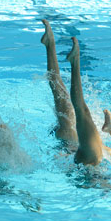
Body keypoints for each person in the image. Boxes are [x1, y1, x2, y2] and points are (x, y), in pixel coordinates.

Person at [65, 36, 111, 165]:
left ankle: (75, 62)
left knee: (82, 111)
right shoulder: (95, 153)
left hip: (91, 166)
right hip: (95, 166)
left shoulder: (91, 155)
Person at [40, 19, 77, 147]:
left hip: (71, 140)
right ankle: (50, 45)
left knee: (61, 95)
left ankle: (50, 45)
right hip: (72, 145)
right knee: (64, 100)